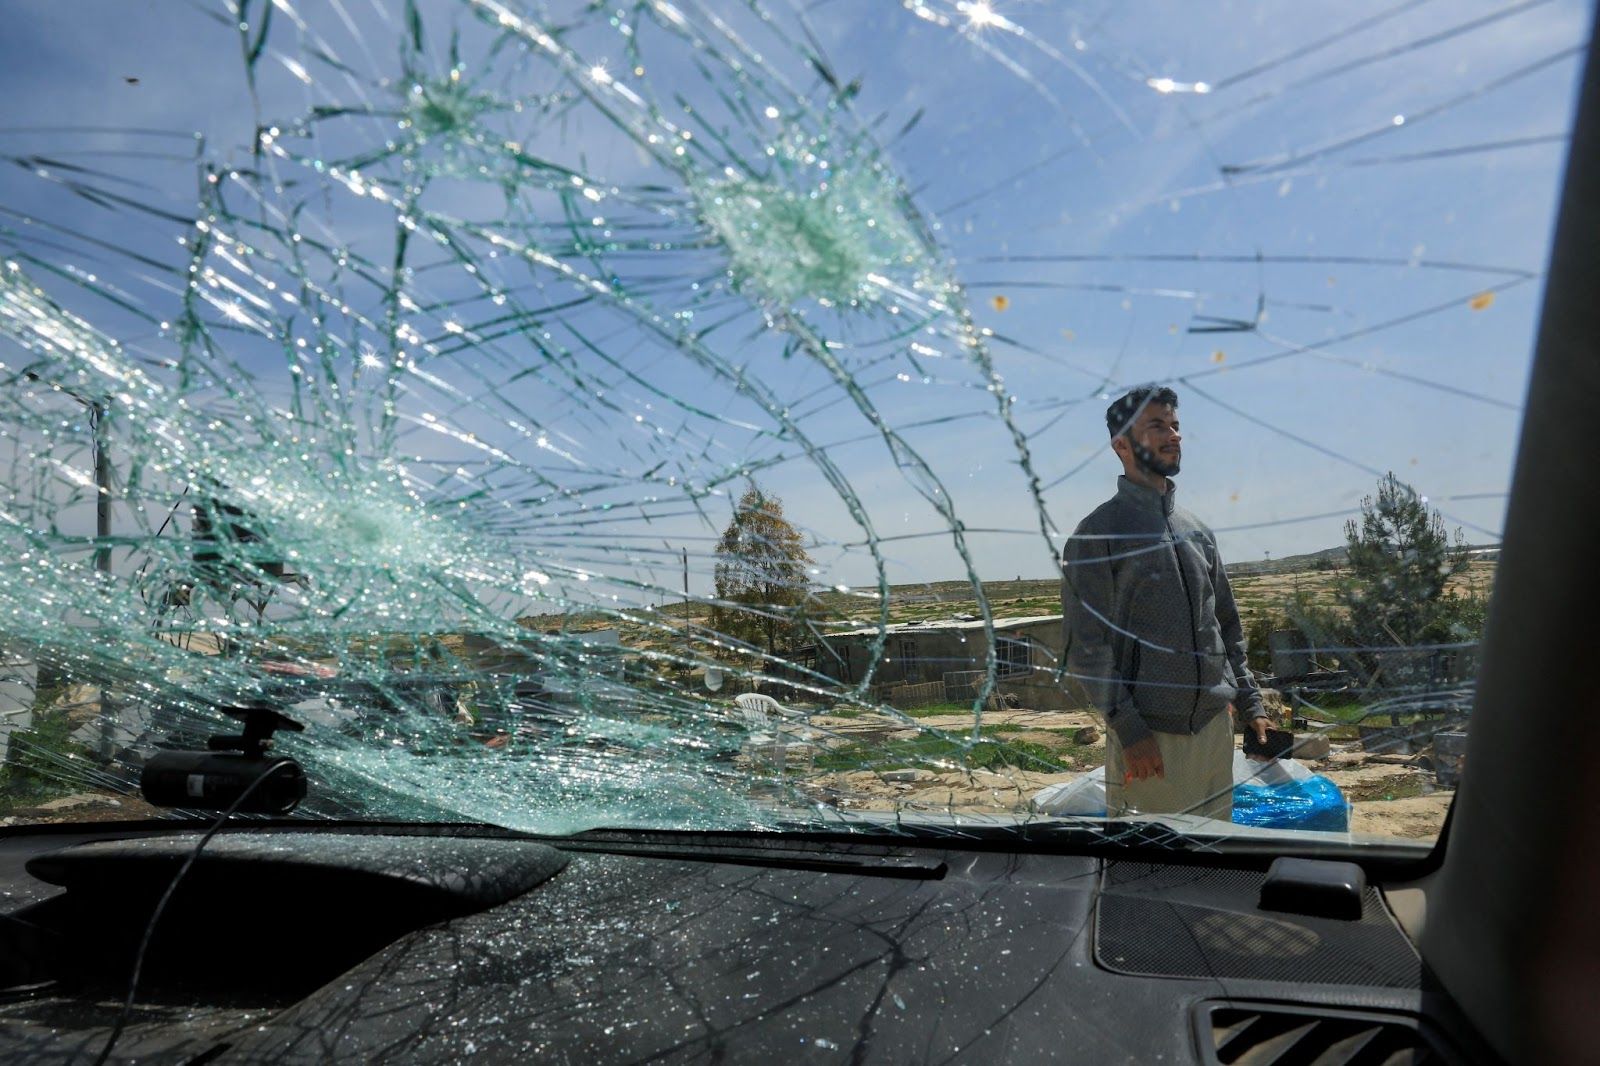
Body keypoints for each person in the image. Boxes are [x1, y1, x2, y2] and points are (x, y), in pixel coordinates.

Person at [1060, 385, 1269, 820]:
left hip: (1214, 732)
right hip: (1150, 740)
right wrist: (1131, 731)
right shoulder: (1098, 535)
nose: (1173, 435)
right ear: (1122, 444)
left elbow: (1225, 626)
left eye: (1175, 426)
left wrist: (1251, 706)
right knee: (1149, 874)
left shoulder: (1196, 531)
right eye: (1157, 426)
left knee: (1214, 863)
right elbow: (1087, 648)